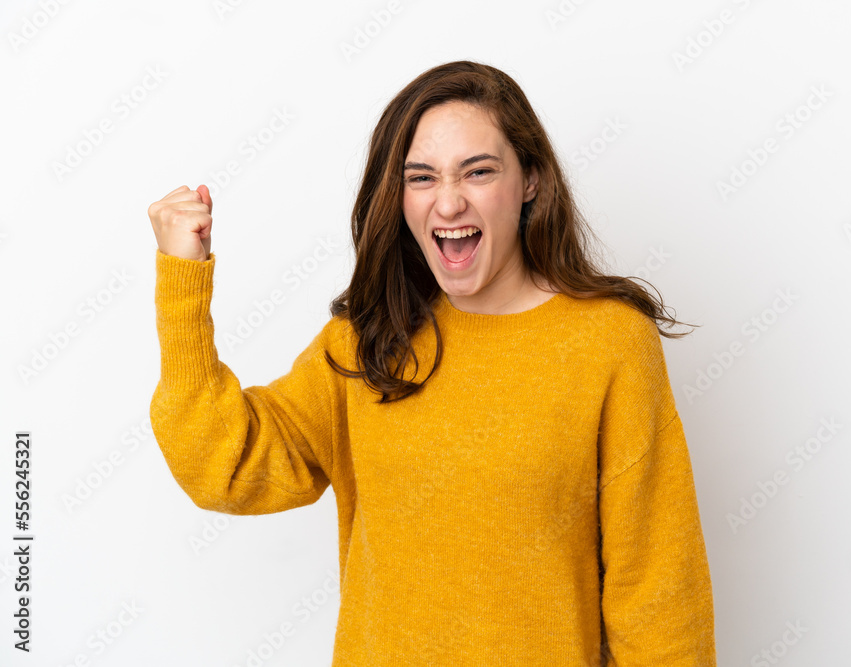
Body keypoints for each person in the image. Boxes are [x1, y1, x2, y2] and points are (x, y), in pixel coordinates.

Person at [148, 60, 716, 666]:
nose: (447, 202)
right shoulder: (367, 340)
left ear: (531, 181)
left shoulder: (609, 342)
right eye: (421, 177)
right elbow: (222, 465)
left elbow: (658, 593)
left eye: (478, 172)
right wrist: (183, 279)